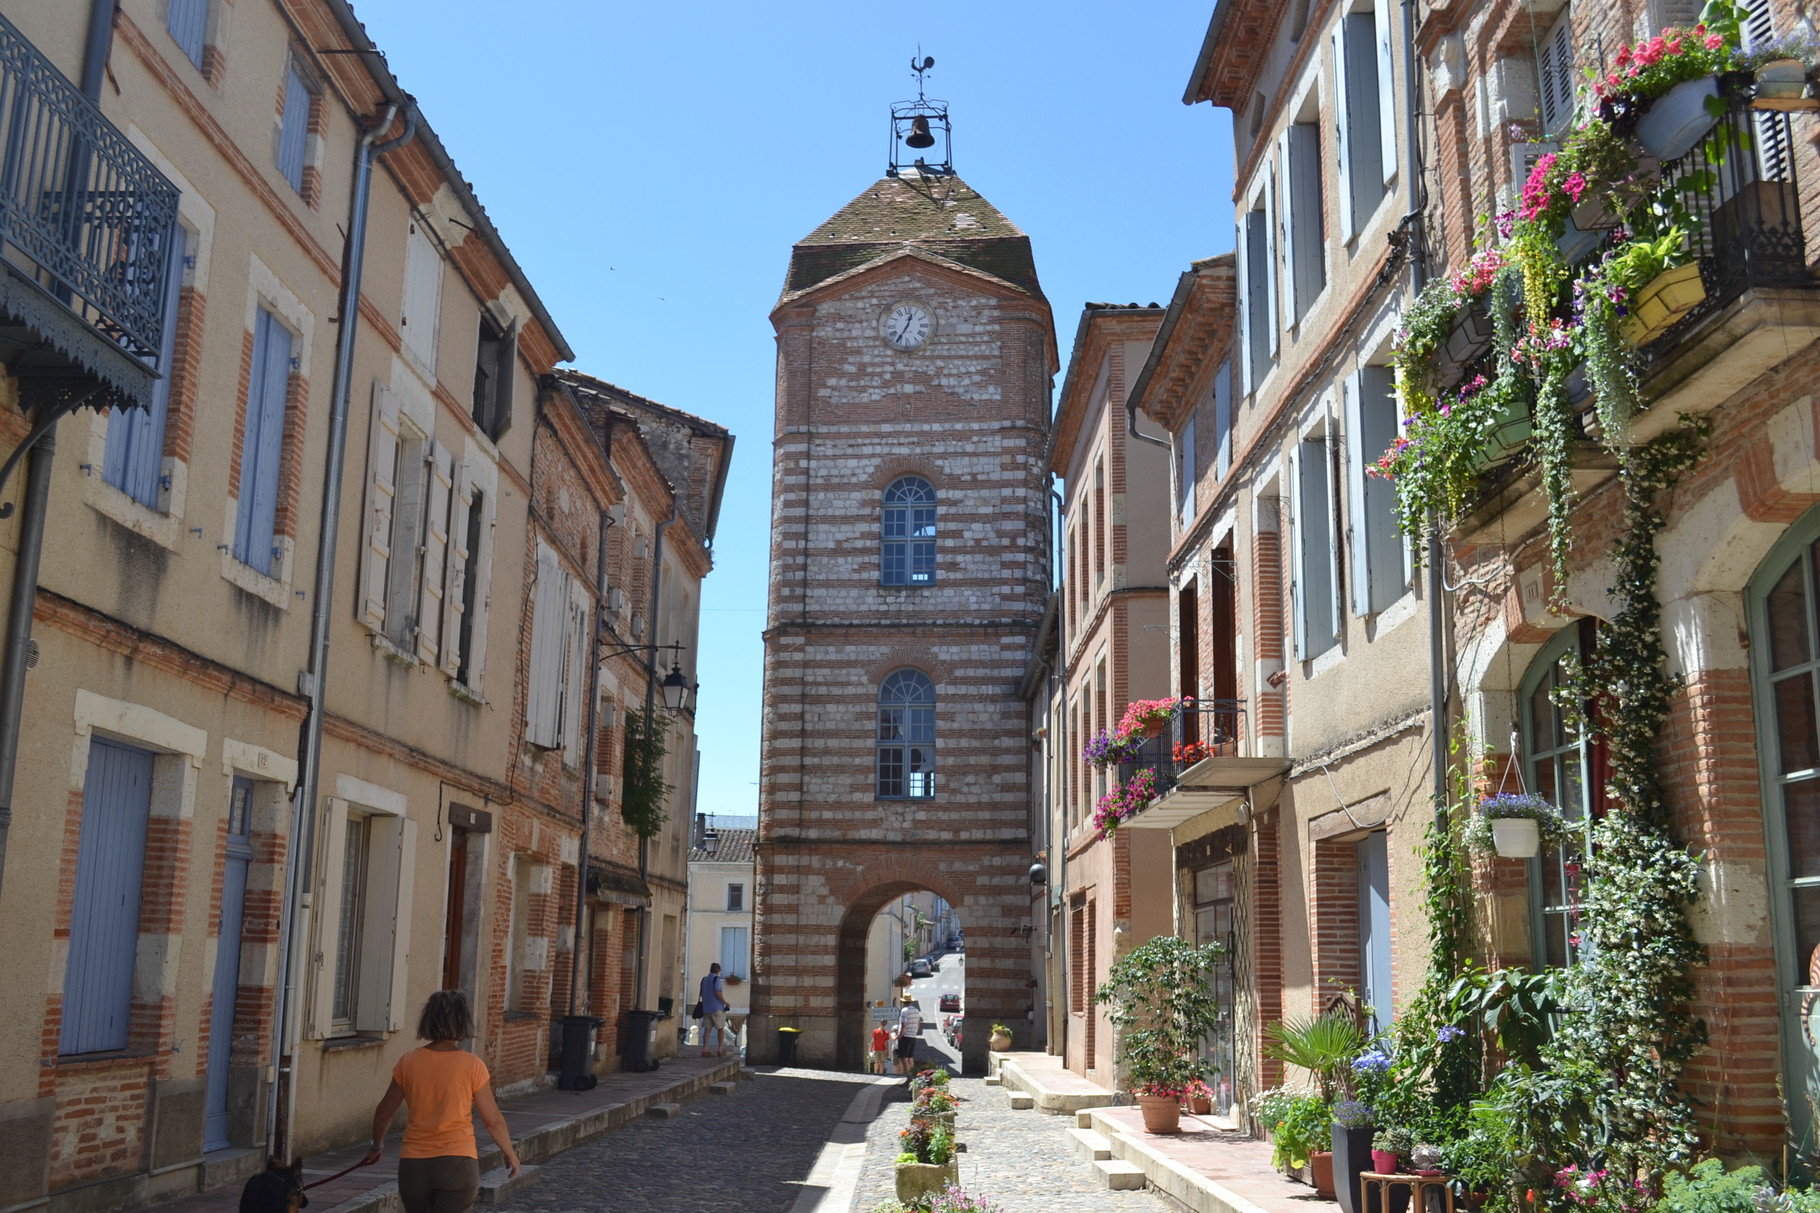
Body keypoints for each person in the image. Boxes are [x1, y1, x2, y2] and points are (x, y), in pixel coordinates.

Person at [363, 990, 519, 1213]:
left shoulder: (408, 1062)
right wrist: (509, 1152)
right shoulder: (472, 1065)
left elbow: (383, 1112)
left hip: (414, 1165)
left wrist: (375, 1147)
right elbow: (492, 1120)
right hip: (457, 1162)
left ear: (428, 1021)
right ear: (463, 1022)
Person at [698, 962, 731, 1058]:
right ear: (718, 971)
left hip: (706, 1007)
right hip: (717, 1008)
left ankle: (705, 1049)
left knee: (707, 1029)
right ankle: (720, 1049)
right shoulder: (716, 980)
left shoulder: (704, 980)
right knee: (720, 1029)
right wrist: (725, 1003)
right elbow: (718, 992)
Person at [895, 992, 923, 1076]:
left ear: (904, 1002)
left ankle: (908, 1076)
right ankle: (913, 1075)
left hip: (905, 1036)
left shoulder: (904, 1011)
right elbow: (918, 1024)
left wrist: (899, 1036)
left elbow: (904, 1025)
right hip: (913, 1036)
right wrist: (914, 1032)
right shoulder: (916, 1010)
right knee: (910, 1058)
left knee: (904, 1058)